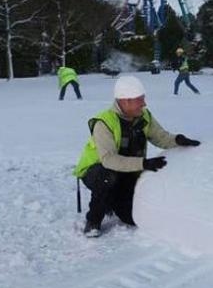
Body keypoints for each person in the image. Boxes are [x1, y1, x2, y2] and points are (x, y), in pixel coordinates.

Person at [73, 75, 201, 237]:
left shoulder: (144, 116)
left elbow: (160, 137)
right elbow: (109, 160)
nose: (144, 104)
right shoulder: (104, 123)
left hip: (127, 171)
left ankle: (112, 200)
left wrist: (177, 140)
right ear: (126, 101)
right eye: (140, 100)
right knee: (107, 177)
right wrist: (144, 164)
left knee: (132, 218)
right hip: (98, 171)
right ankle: (93, 220)